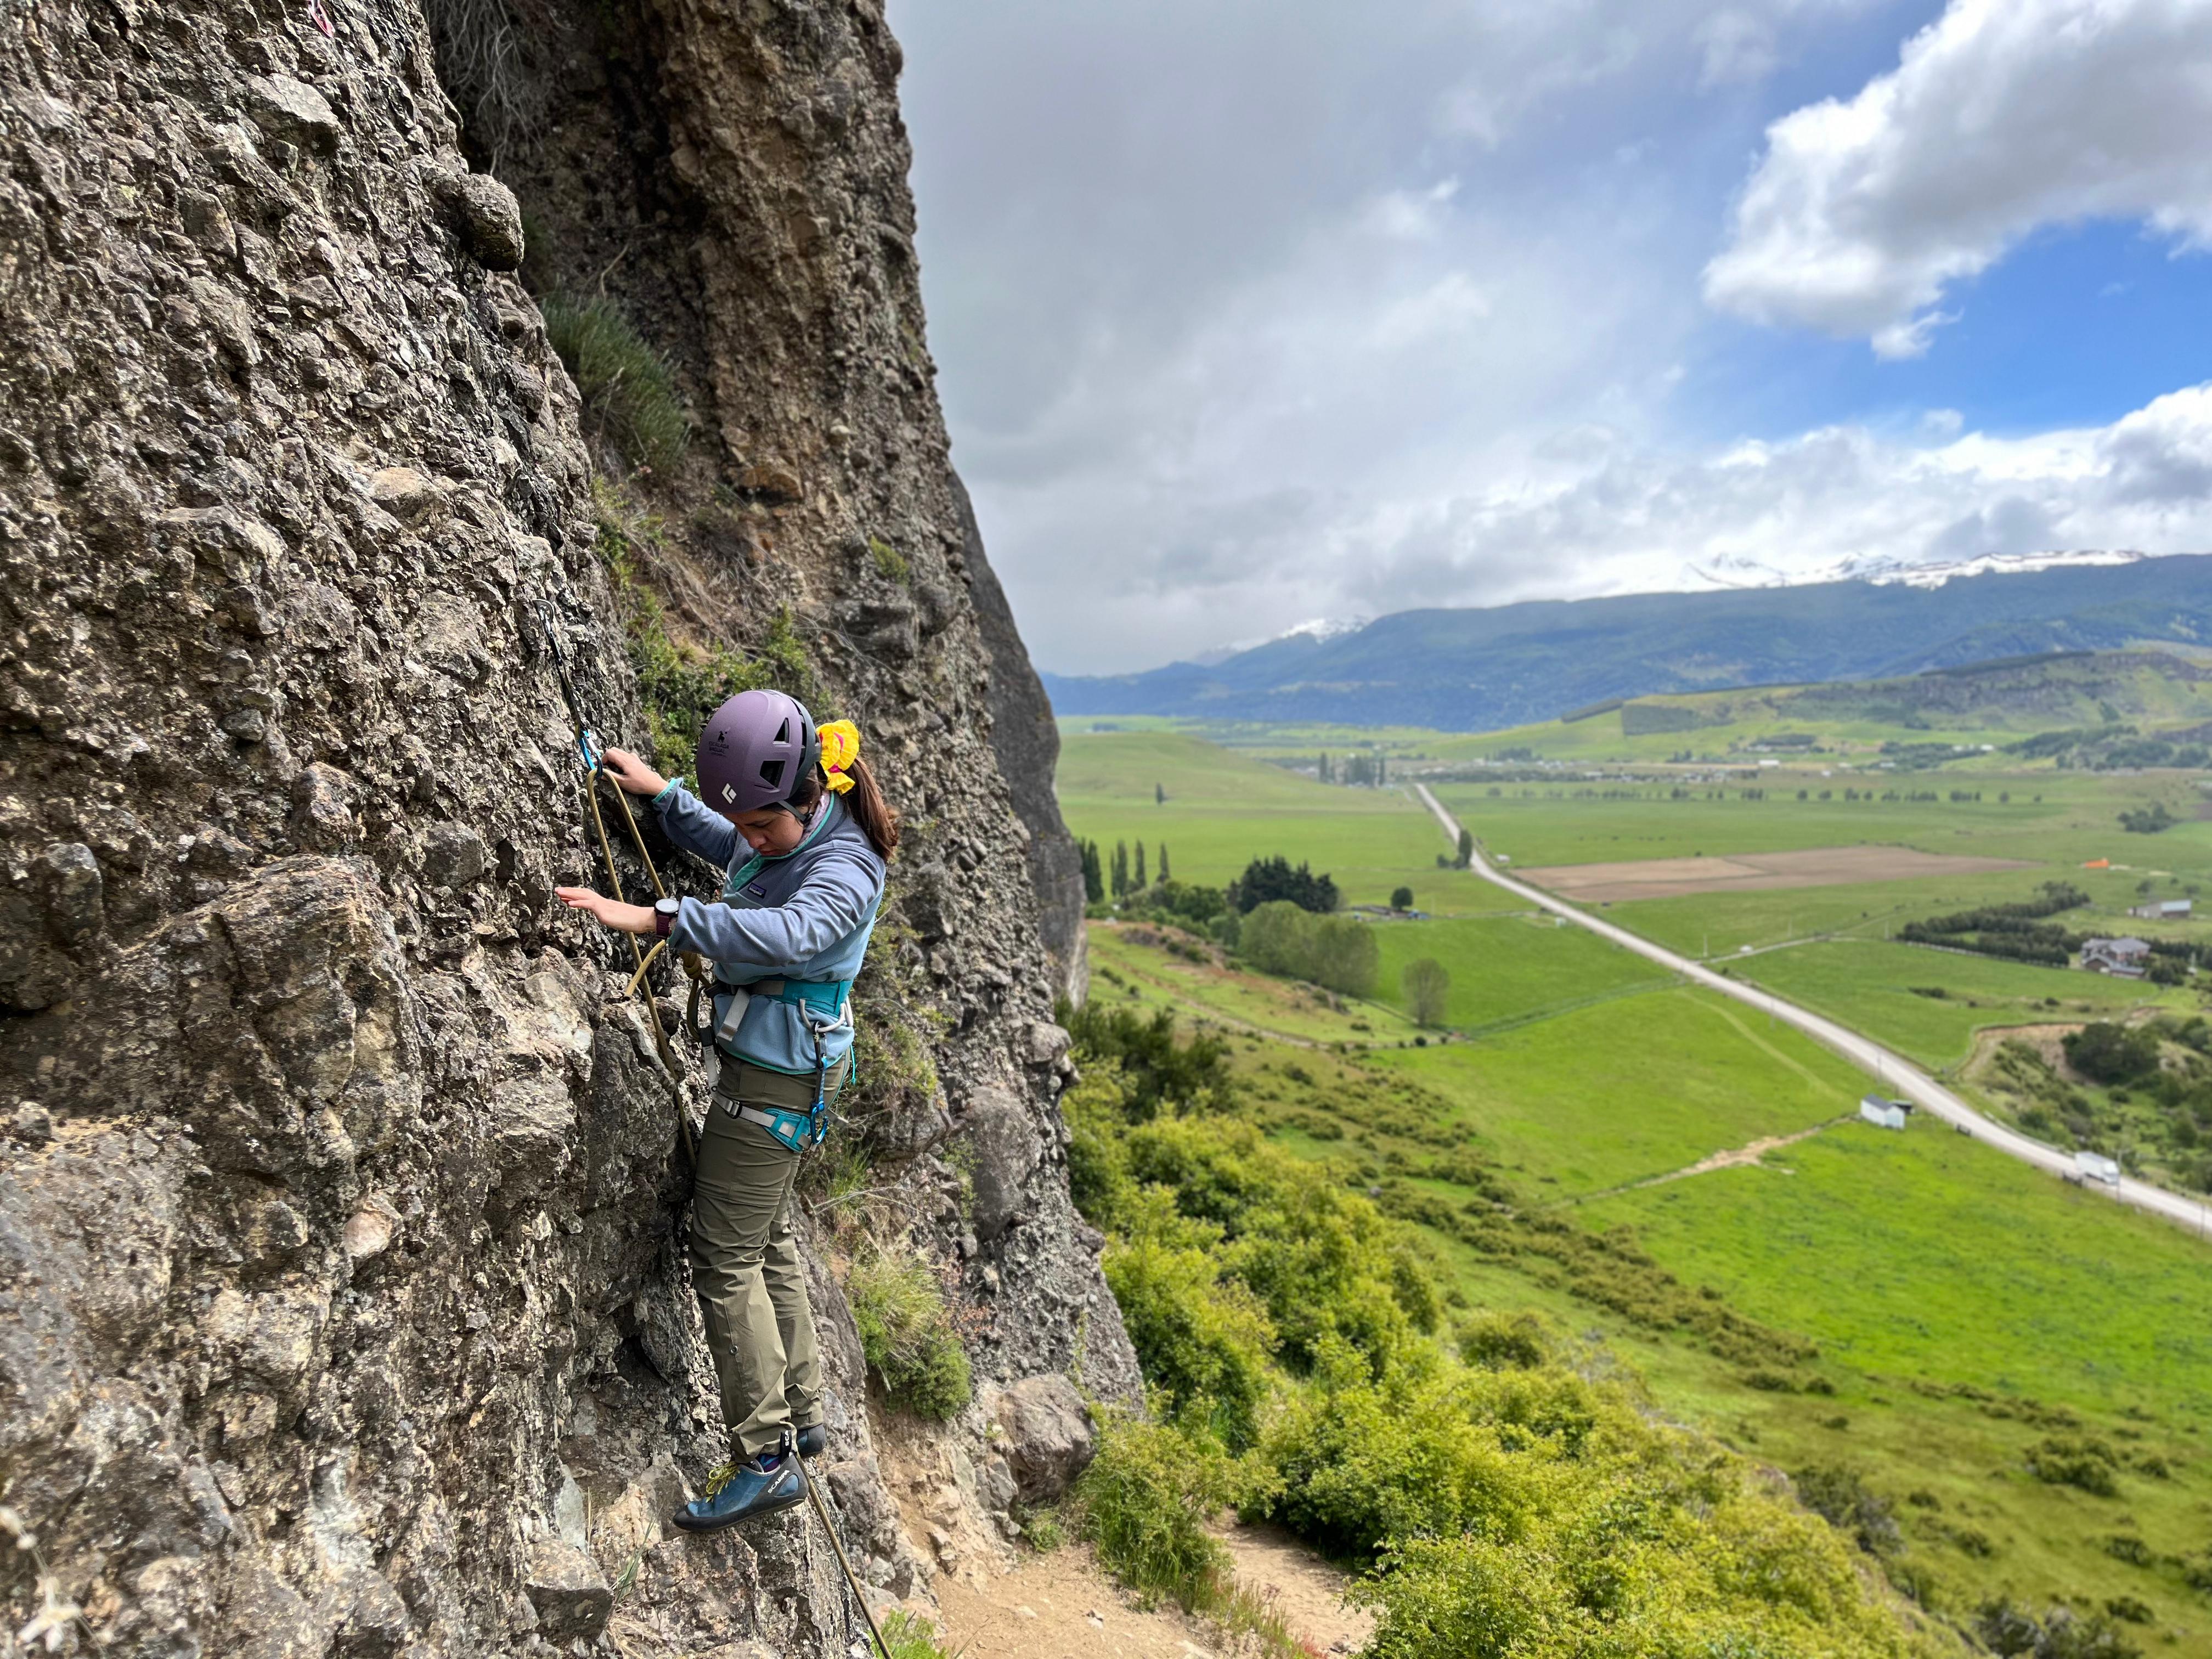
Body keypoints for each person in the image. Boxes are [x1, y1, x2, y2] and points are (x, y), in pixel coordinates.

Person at [555, 689, 899, 1531]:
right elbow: (741, 849)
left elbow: (788, 933)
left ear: (807, 797)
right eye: (745, 823)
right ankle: (804, 1414)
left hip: (779, 1081)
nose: (751, 839)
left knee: (723, 1254)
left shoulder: (848, 868)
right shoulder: (794, 826)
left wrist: (658, 919)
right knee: (766, 1230)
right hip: (782, 1067)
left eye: (762, 825)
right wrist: (664, 797)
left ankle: (766, 1456)